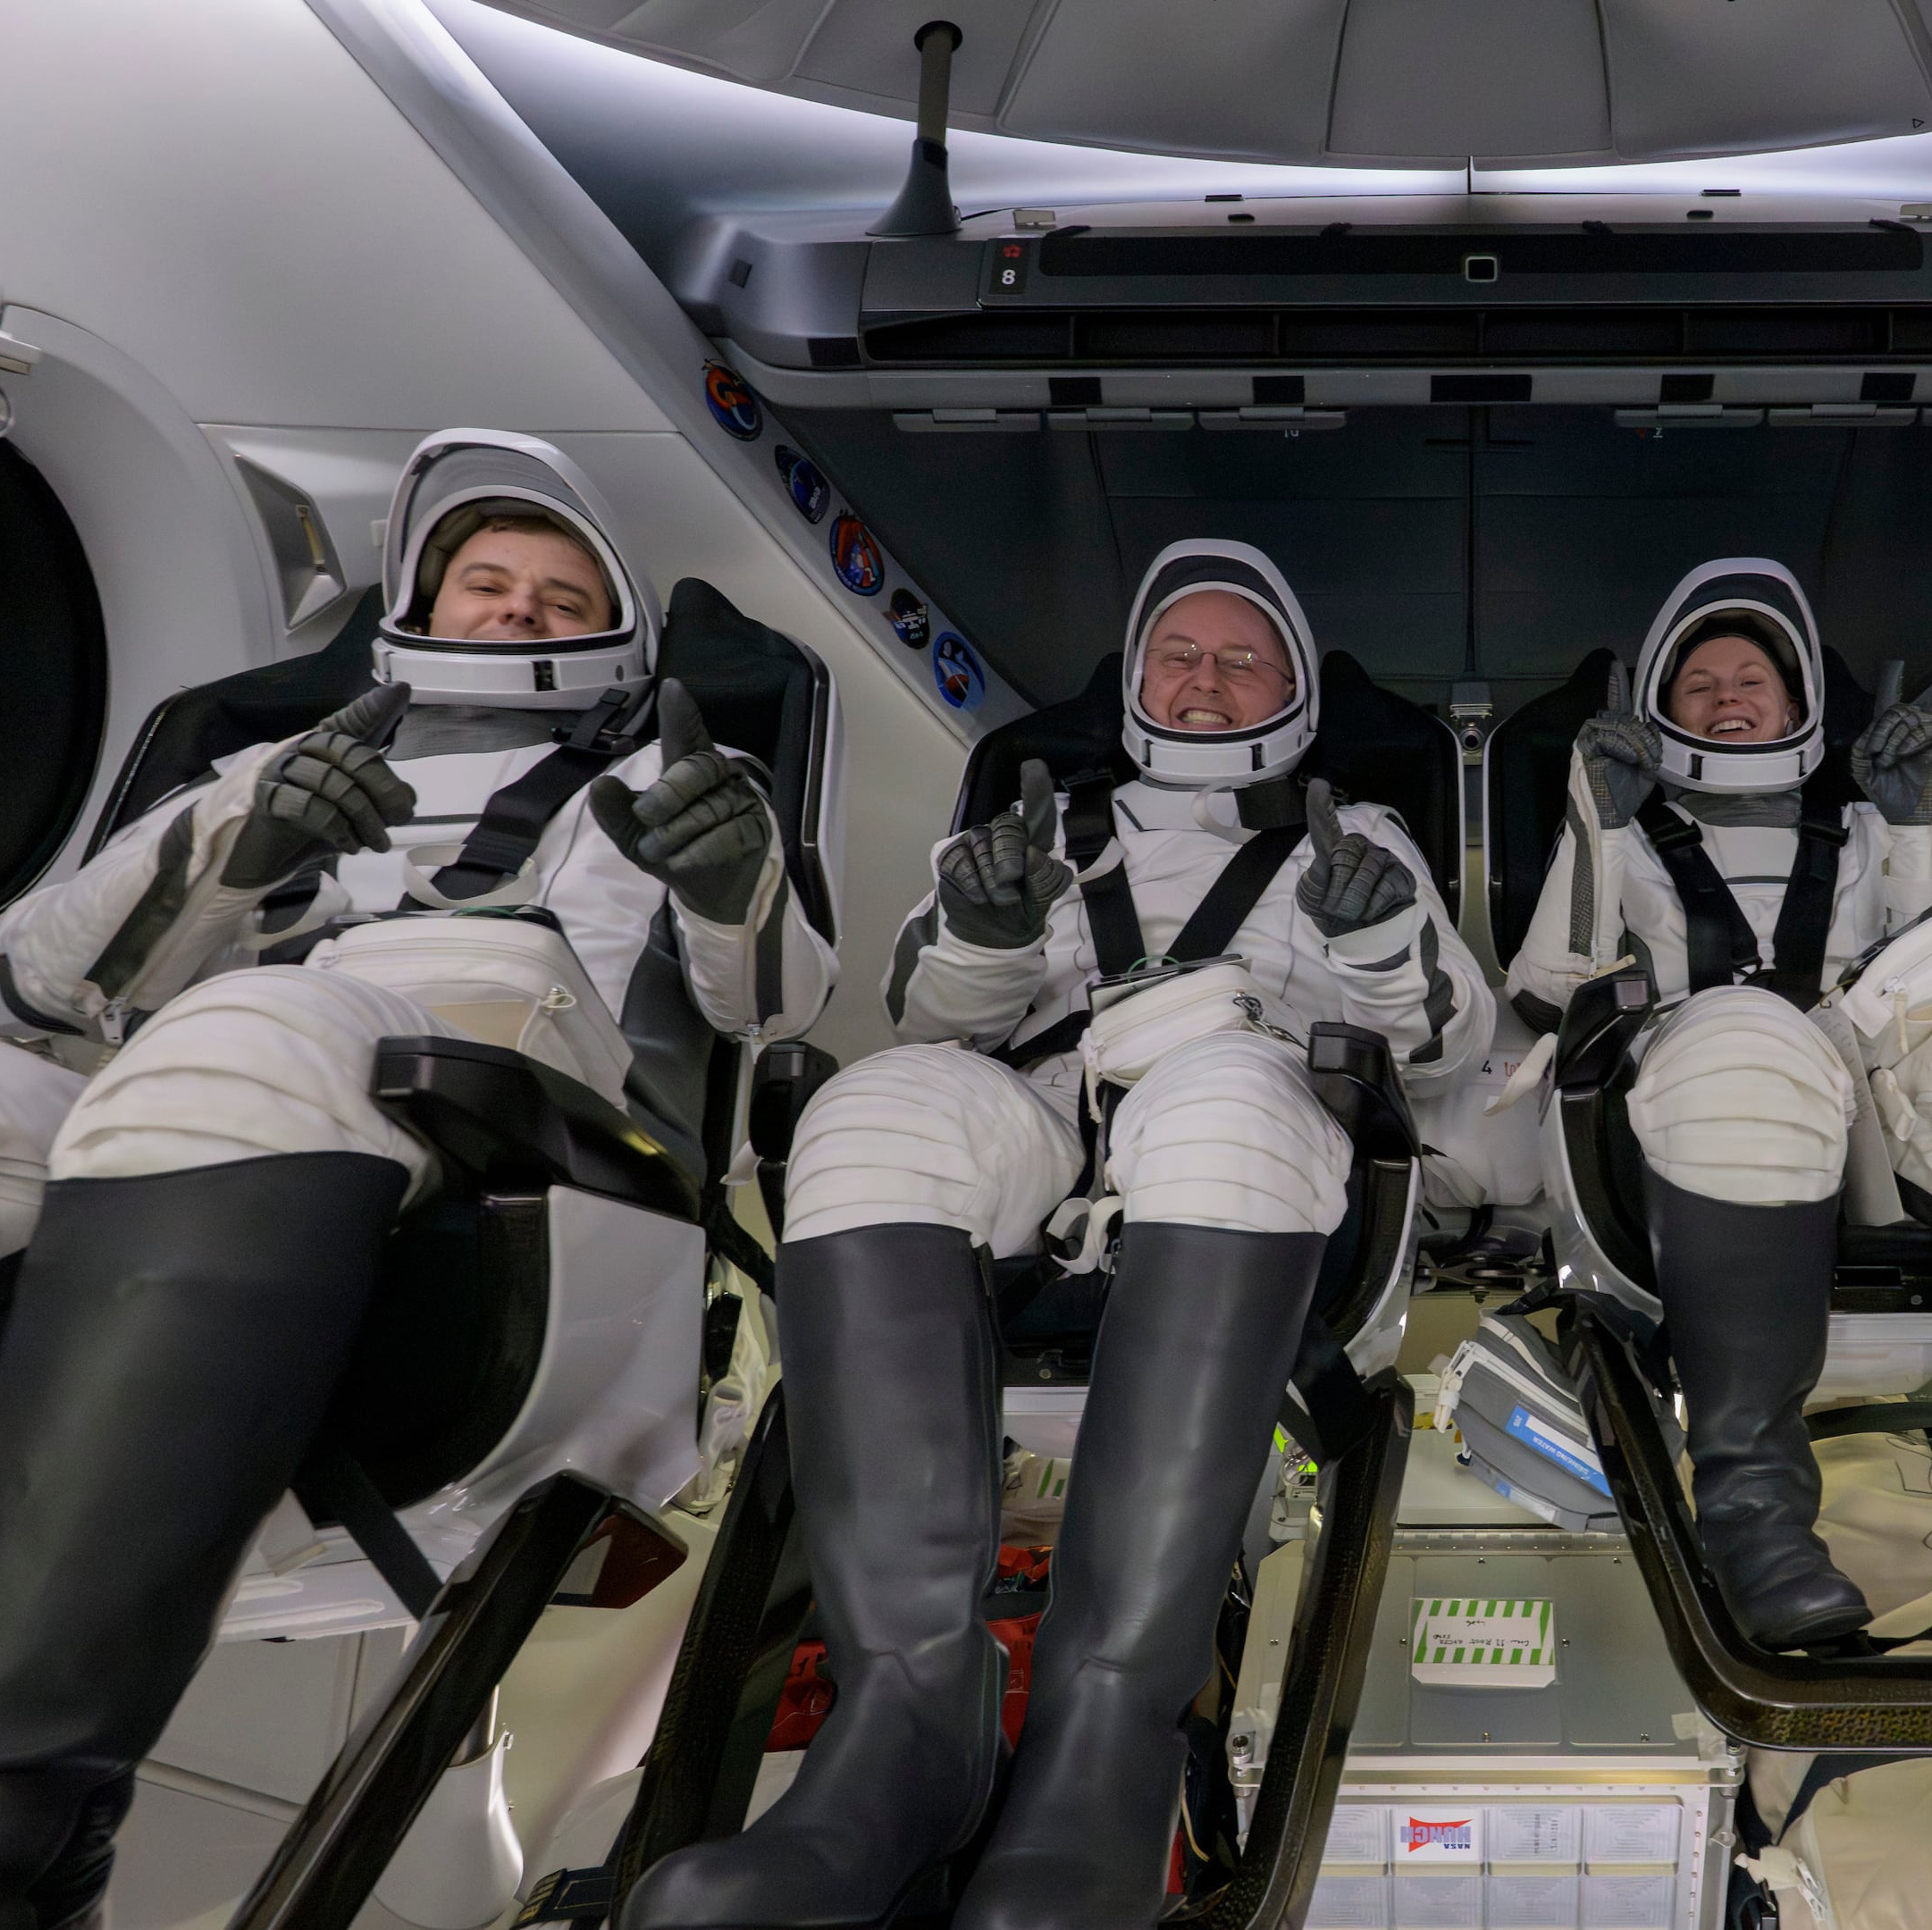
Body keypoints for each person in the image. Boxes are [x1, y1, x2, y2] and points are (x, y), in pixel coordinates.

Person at [0, 428, 831, 1930]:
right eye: (487, 585)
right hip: (146, 1128)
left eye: (557, 592)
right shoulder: (258, 771)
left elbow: (769, 1002)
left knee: (269, 1020)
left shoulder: (675, 786)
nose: (517, 613)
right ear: (421, 607)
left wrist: (730, 880)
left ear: (621, 629)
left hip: (518, 1141)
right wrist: (234, 845)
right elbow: (44, 971)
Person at [620, 539, 1488, 1930]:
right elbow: (934, 1020)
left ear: (1293, 689)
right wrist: (981, 930)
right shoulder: (1030, 826)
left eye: (1243, 659)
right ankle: (908, 1714)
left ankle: (1109, 1729)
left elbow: (1448, 1041)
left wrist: (1378, 943)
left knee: (1219, 1104)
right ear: (1137, 679)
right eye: (1180, 657)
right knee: (877, 1105)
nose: (1208, 683)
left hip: (1245, 1103)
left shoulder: (1360, 839)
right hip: (1042, 1110)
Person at [1506, 559, 1932, 1654]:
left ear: (1800, 699)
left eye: (1751, 676)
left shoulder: (1871, 834)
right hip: (1689, 1120)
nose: (1727, 697)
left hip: (1880, 1114)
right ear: (1661, 712)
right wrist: (1596, 822)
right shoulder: (1627, 834)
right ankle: (1752, 1518)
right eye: (1698, 684)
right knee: (1752, 1036)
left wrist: (1922, 832)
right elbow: (1545, 992)